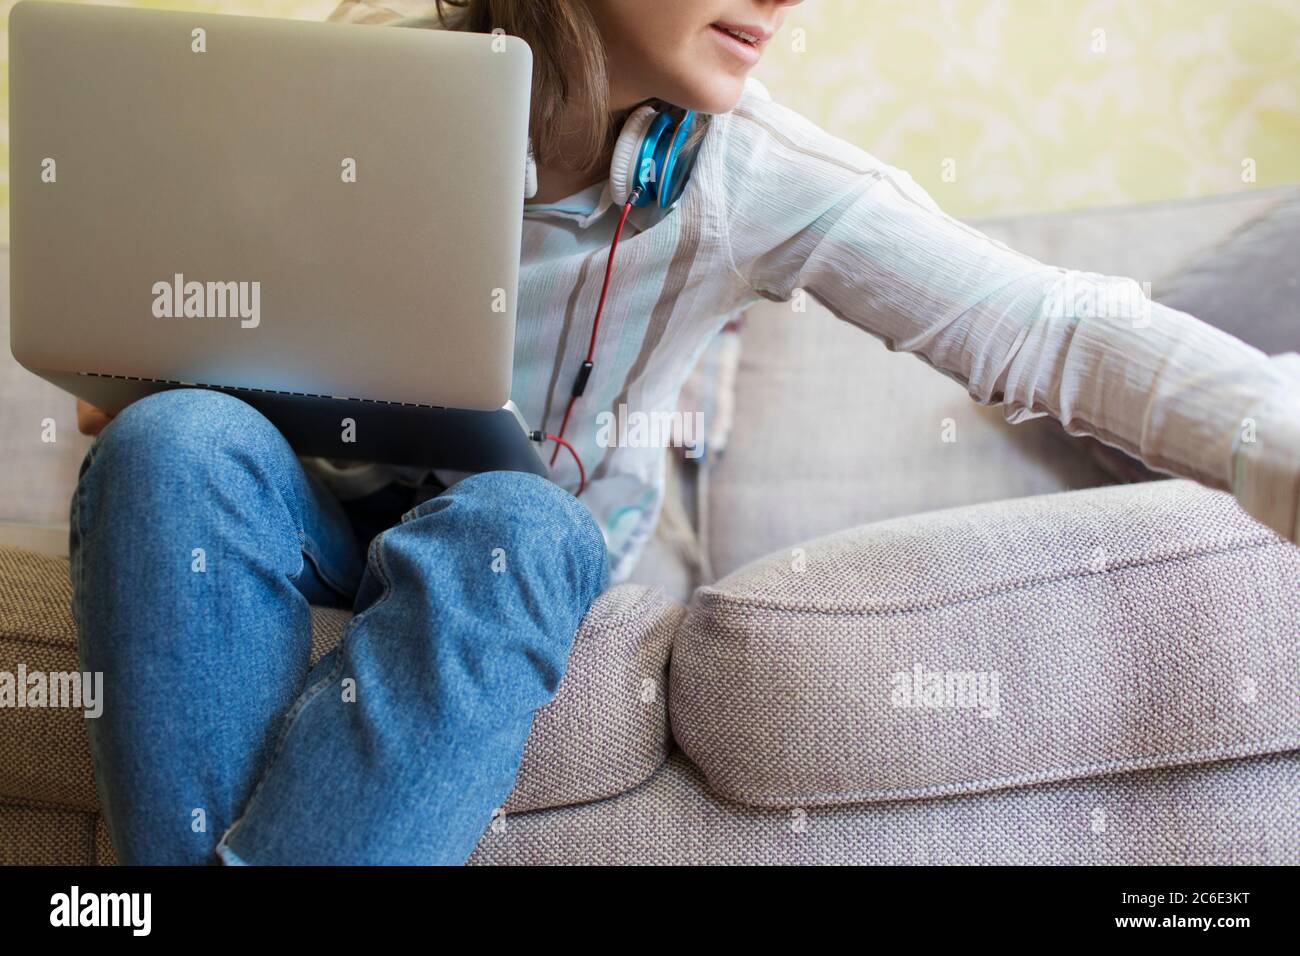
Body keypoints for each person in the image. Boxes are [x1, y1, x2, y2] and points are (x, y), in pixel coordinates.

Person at [72, 0, 1299, 865]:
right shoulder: (367, 67)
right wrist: (149, 352)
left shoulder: (752, 172)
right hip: (314, 517)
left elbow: (1054, 328)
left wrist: (1274, 438)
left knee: (512, 517)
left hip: (530, 553)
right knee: (171, 439)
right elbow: (196, 314)